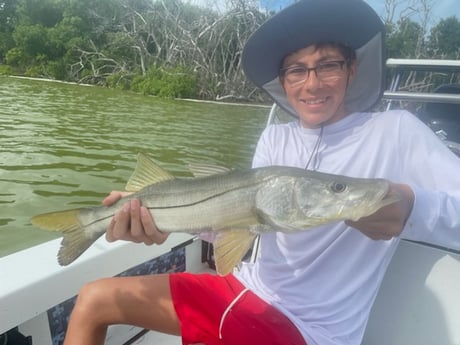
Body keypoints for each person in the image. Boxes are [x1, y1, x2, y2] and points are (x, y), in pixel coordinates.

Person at [62, 0, 460, 345]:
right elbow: (240, 224)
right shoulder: (276, 137)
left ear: (352, 69)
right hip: (246, 289)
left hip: (307, 329)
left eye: (328, 65)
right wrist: (160, 223)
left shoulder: (396, 131)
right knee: (92, 298)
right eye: (296, 70)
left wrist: (411, 208)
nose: (312, 84)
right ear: (284, 81)